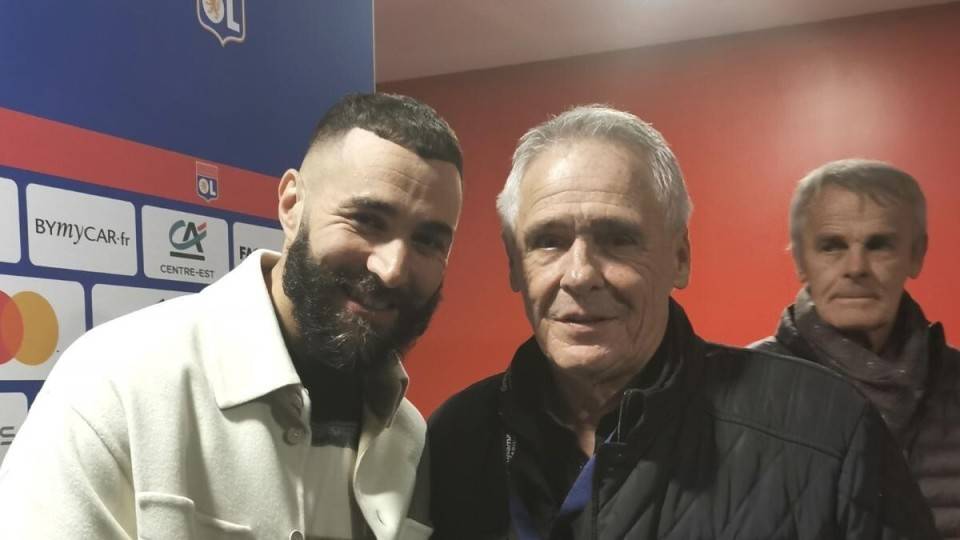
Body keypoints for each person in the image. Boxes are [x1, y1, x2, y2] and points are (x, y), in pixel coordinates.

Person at [428, 106, 936, 539]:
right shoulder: (459, 435)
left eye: (618, 238)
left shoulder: (827, 427)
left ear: (680, 257)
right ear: (515, 264)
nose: (579, 274)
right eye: (548, 241)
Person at [0, 93, 463, 540]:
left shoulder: (410, 437)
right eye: (367, 220)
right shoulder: (115, 382)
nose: (392, 268)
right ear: (292, 205)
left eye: (428, 241)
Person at [751, 159, 960, 538]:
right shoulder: (732, 394)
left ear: (916, 255)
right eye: (832, 246)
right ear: (800, 259)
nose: (856, 267)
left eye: (879, 245)